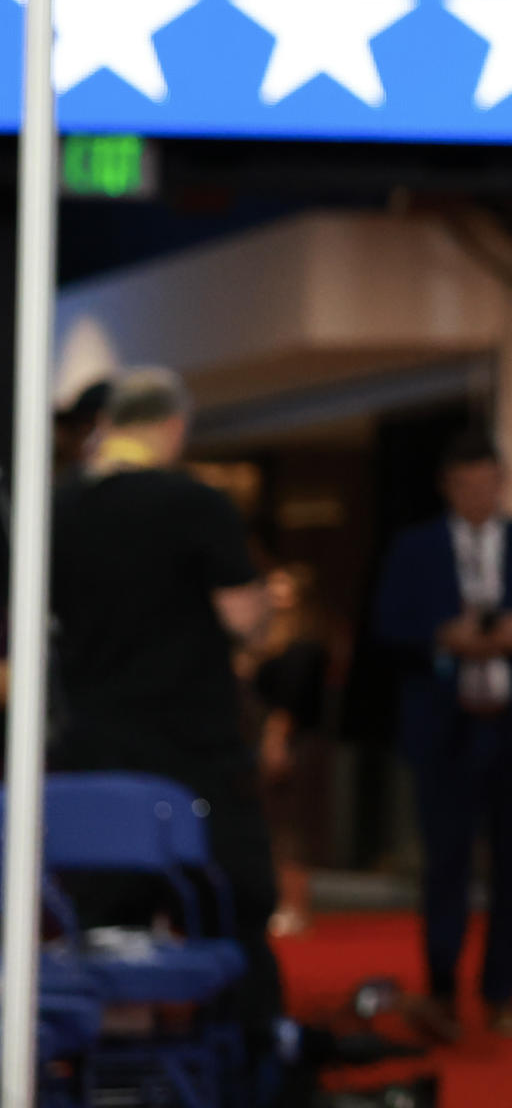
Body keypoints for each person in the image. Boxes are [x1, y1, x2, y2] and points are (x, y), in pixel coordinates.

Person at [49, 368, 286, 1044]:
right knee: (232, 914)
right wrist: (264, 609)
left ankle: (121, 1069)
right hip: (193, 754)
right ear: (174, 426)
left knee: (106, 936)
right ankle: (247, 1062)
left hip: (92, 754)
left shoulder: (57, 509)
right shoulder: (194, 503)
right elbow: (244, 619)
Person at [370, 429, 512, 1038]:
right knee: (446, 862)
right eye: (467, 487)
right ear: (448, 487)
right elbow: (387, 625)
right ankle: (441, 987)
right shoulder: (414, 551)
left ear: (504, 483)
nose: (479, 496)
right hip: (445, 726)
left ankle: (501, 990)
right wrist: (444, 636)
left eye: (489, 485)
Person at [246, 562, 334, 937]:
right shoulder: (274, 641)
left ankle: (295, 905)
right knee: (278, 826)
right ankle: (287, 903)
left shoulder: (304, 644)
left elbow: (291, 701)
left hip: (296, 744)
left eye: (284, 590)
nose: (275, 597)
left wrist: (276, 740)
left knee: (291, 827)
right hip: (287, 740)